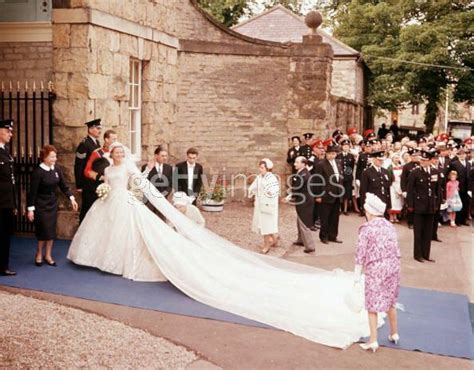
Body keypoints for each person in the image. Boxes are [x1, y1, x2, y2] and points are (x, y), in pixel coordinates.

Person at [68, 142, 386, 350]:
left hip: (128, 205)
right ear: (112, 155)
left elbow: (144, 188)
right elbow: (105, 181)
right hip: (110, 205)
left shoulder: (130, 169)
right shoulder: (108, 168)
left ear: (127, 157)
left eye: (123, 154)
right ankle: (100, 260)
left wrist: (153, 202)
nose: (120, 157)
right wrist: (104, 190)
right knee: (107, 233)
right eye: (117, 154)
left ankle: (121, 261)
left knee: (134, 236)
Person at [355, 193, 401, 352]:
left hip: (375, 269)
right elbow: (396, 249)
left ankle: (373, 340)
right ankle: (394, 333)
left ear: (369, 212)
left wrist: (356, 275)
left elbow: (360, 253)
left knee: (372, 304)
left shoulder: (366, 228)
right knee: (390, 302)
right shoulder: (390, 226)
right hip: (393, 266)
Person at [27, 145, 79, 266]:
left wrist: (72, 198)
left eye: (55, 156)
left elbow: (64, 186)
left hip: (52, 203)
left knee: (50, 230)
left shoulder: (57, 170)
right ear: (44, 157)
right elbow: (32, 192)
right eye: (52, 157)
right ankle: (39, 253)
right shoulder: (38, 172)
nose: (55, 159)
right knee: (43, 230)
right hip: (40, 204)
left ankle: (48, 255)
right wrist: (30, 210)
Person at [406, 150, 442, 263]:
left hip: (430, 206)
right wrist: (410, 205)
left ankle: (426, 254)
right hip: (418, 206)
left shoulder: (435, 172)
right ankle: (418, 255)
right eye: (421, 160)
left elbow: (437, 190)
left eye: (425, 160)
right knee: (418, 232)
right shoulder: (415, 173)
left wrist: (437, 204)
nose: (422, 162)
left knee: (428, 231)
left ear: (430, 161)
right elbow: (410, 190)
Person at [314, 144, 344, 244]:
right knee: (325, 216)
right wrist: (318, 195)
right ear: (326, 154)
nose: (332, 156)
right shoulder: (321, 164)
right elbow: (317, 181)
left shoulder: (339, 163)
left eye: (334, 154)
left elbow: (340, 178)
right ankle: (324, 236)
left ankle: (333, 235)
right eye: (330, 154)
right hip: (326, 194)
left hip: (337, 193)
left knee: (335, 217)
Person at [248, 158, 280, 254]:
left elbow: (275, 190)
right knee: (263, 224)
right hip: (260, 204)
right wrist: (252, 190)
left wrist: (268, 192)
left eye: (262, 168)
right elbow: (253, 187)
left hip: (268, 205)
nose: (260, 169)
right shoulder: (259, 177)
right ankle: (275, 238)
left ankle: (267, 245)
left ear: (267, 168)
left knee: (266, 225)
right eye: (260, 167)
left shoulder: (272, 178)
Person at [74, 119, 101, 222]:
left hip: (94, 181)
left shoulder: (96, 142)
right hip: (86, 183)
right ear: (90, 129)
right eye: (97, 128)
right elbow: (79, 165)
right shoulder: (84, 144)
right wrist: (79, 185)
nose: (99, 131)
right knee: (86, 209)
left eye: (100, 128)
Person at [0, 119, 16, 276]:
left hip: (6, 202)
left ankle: (3, 265)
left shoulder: (5, 151)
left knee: (5, 235)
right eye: (8, 131)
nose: (11, 134)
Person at [289, 156, 316, 253]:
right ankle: (300, 240)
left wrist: (290, 196)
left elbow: (296, 189)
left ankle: (310, 246)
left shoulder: (303, 175)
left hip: (304, 201)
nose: (295, 164)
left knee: (304, 222)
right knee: (299, 220)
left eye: (297, 162)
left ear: (303, 164)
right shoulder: (303, 172)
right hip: (305, 200)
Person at [142, 146, 173, 215]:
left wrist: (163, 195)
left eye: (166, 156)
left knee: (162, 220)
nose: (165, 158)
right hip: (149, 200)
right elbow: (143, 182)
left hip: (163, 200)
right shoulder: (146, 167)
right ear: (156, 156)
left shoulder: (169, 168)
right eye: (162, 156)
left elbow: (170, 184)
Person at [360, 151, 392, 216]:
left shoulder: (385, 171)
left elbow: (387, 189)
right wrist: (363, 205)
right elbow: (363, 190)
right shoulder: (367, 172)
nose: (381, 162)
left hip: (383, 202)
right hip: (373, 203)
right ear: (374, 159)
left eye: (382, 160)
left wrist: (389, 205)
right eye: (379, 160)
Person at [449, 146, 472, 226]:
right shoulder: (454, 164)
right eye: (460, 154)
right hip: (458, 187)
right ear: (458, 155)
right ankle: (457, 220)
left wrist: (470, 188)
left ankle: (463, 220)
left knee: (466, 203)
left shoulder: (468, 163)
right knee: (458, 203)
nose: (462, 155)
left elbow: (470, 176)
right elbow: (451, 175)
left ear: (465, 155)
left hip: (467, 187)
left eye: (464, 154)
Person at [336, 139, 355, 215]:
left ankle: (345, 209)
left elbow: (351, 167)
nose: (345, 147)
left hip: (348, 177)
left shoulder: (351, 156)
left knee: (346, 194)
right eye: (344, 146)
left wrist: (348, 175)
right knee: (340, 193)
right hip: (340, 176)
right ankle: (339, 208)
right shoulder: (338, 155)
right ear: (342, 147)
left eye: (347, 146)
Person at [388, 153, 403, 223]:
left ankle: (396, 216)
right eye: (395, 158)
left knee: (398, 202)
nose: (397, 159)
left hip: (399, 185)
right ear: (392, 159)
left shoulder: (401, 166)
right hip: (392, 186)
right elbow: (389, 178)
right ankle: (391, 216)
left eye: (398, 158)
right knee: (392, 201)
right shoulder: (390, 167)